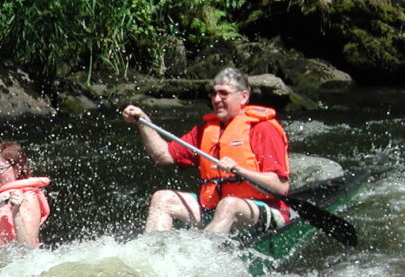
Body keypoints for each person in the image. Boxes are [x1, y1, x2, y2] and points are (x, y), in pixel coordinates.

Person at [120, 67, 291, 238]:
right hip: (216, 209)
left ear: (244, 96)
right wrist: (143, 122)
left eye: (223, 93)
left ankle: (202, 258)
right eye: (213, 94)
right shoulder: (204, 131)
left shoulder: (263, 129)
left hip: (264, 210)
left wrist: (239, 170)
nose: (216, 99)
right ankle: (152, 256)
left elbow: (281, 187)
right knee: (162, 198)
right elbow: (163, 155)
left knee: (229, 205)